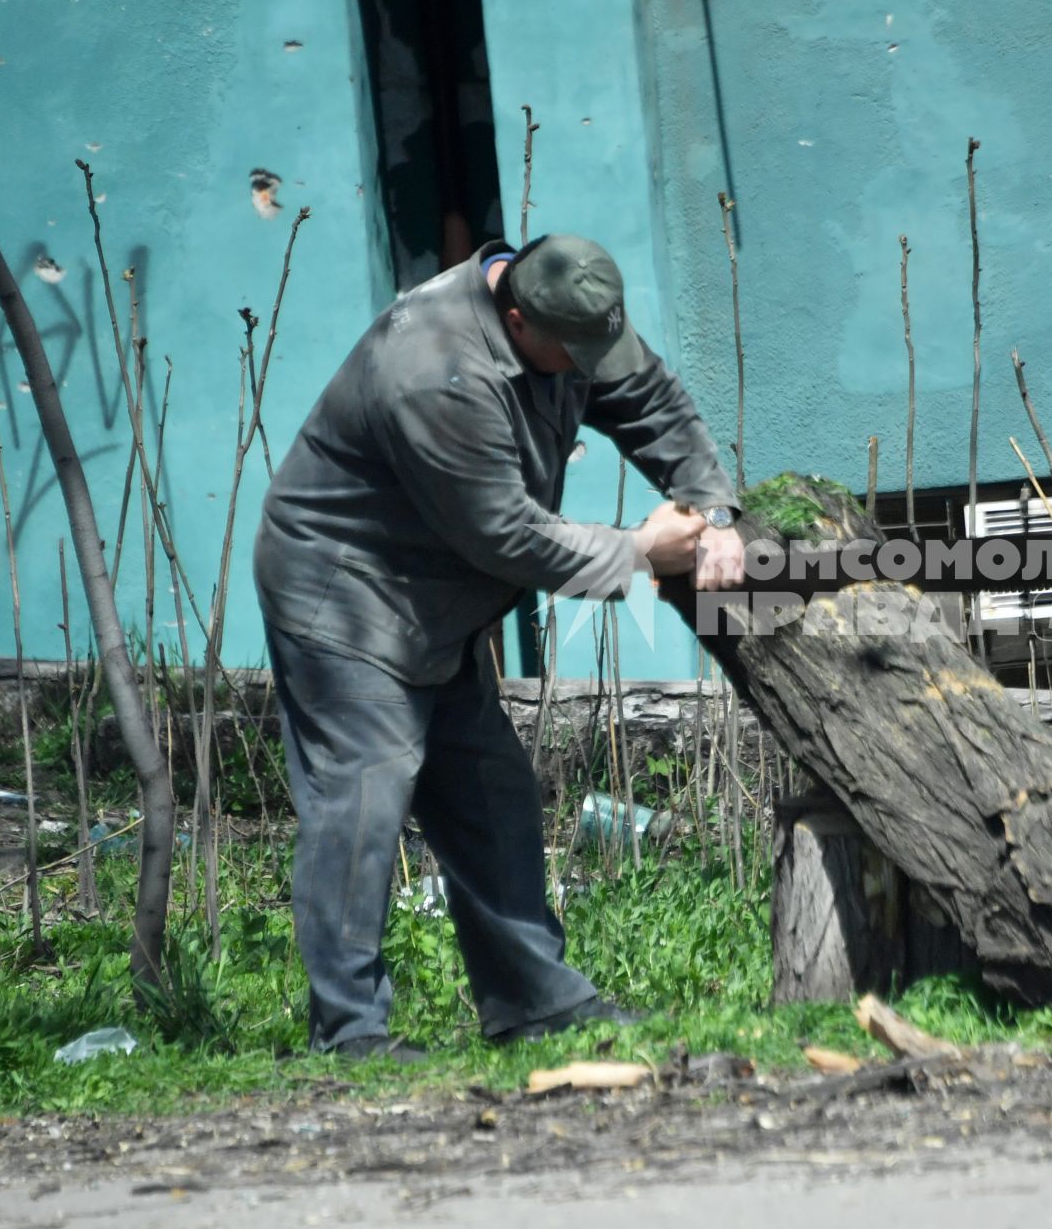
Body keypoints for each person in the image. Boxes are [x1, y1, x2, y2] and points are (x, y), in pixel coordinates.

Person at [254, 234, 746, 1060]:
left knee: (490, 795)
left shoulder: (572, 308)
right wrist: (640, 552)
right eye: (573, 354)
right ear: (515, 317)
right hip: (348, 595)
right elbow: (506, 536)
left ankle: (533, 1001)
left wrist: (710, 507)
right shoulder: (433, 370)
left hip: (436, 598)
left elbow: (647, 397)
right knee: (365, 798)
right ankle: (348, 1033)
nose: (590, 364)